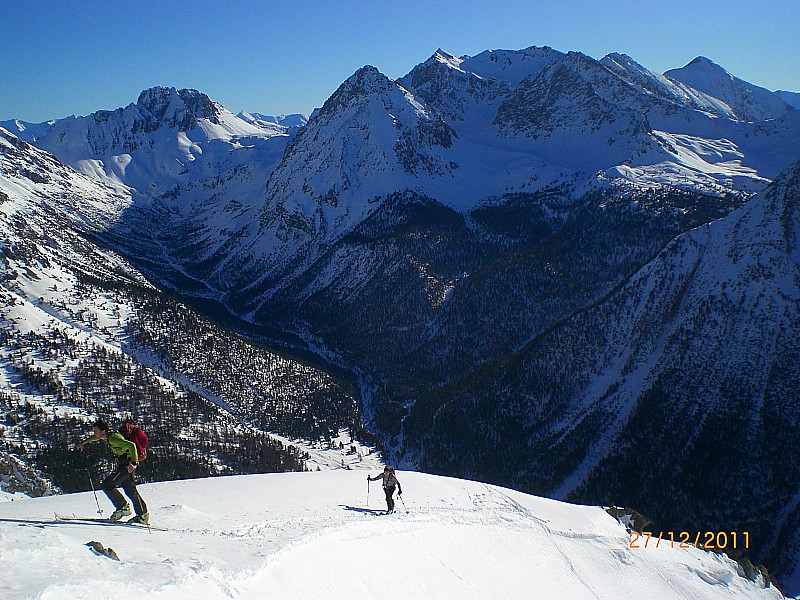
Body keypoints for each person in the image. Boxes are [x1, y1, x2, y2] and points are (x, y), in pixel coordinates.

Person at [78, 418, 149, 524]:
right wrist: (84, 442)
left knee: (107, 485)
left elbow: (131, 445)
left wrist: (133, 463)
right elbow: (95, 438)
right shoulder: (109, 435)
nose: (94, 434)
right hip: (126, 463)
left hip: (126, 464)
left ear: (103, 432)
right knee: (130, 489)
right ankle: (143, 515)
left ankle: (123, 508)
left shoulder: (113, 438)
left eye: (96, 431)